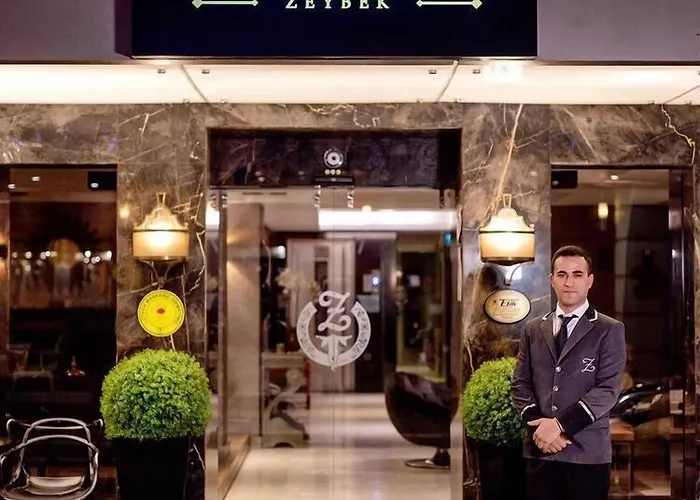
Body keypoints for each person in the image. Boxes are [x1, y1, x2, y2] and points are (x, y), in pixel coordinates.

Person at [511, 245, 627, 500]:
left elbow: (607, 390)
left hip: (587, 455)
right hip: (540, 452)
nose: (569, 282)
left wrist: (560, 426)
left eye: (577, 274)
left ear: (590, 280)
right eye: (562, 274)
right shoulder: (532, 329)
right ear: (551, 279)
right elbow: (520, 384)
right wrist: (540, 431)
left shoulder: (609, 329)